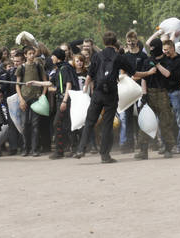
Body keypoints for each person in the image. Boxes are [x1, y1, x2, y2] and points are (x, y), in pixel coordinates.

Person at [73, 31, 136, 163]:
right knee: (107, 125)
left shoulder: (97, 56)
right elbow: (133, 71)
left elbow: (90, 74)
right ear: (115, 42)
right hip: (111, 94)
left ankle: (80, 149)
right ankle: (105, 155)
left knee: (90, 121)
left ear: (103, 42)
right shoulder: (119, 57)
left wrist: (85, 88)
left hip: (97, 93)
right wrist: (147, 72)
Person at [133, 38, 176, 160]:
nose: (152, 50)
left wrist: (157, 64)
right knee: (145, 122)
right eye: (150, 48)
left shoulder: (167, 60)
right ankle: (143, 150)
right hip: (150, 93)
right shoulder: (147, 61)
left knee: (165, 122)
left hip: (163, 93)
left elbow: (167, 74)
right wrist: (144, 94)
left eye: (153, 47)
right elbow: (144, 79)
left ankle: (168, 148)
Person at [44, 48, 79, 159]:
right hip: (62, 99)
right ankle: (73, 148)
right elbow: (50, 82)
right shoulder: (59, 69)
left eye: (53, 56)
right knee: (67, 124)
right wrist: (33, 83)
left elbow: (68, 84)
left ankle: (60, 151)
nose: (51, 58)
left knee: (57, 123)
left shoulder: (64, 69)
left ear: (57, 57)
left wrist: (64, 100)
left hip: (65, 100)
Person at [15, 46, 49, 157]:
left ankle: (35, 148)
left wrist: (43, 95)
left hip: (36, 98)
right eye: (29, 53)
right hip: (25, 98)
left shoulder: (39, 66)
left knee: (35, 124)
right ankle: (25, 148)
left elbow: (45, 82)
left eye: (33, 53)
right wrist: (20, 99)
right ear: (25, 55)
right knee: (25, 124)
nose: (31, 55)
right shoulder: (21, 68)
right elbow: (18, 85)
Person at [120, 30, 148, 153]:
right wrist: (128, 78)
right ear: (126, 42)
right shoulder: (125, 57)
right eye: (129, 41)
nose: (131, 43)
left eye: (133, 41)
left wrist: (135, 77)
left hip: (141, 88)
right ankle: (129, 143)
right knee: (128, 117)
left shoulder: (142, 56)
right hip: (129, 90)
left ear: (137, 41)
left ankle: (143, 142)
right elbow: (122, 74)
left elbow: (146, 73)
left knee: (141, 117)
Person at [162, 40, 180, 153]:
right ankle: (166, 146)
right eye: (164, 50)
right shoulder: (163, 59)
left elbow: (178, 77)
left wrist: (167, 73)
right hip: (163, 92)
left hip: (176, 92)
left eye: (167, 49)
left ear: (173, 48)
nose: (165, 52)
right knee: (163, 120)